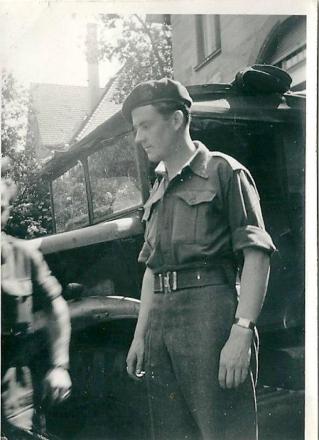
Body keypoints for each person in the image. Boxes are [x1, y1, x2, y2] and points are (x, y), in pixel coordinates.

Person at [123, 78, 276, 440]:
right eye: (135, 129)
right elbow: (151, 268)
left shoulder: (224, 172)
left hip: (209, 317)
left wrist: (242, 331)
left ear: (176, 120)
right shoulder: (158, 188)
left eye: (145, 126)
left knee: (223, 432)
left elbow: (257, 254)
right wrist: (141, 334)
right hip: (161, 322)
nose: (138, 138)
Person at [1, 160, 72, 439]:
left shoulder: (24, 256)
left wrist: (59, 365)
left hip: (13, 387)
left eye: (1, 209)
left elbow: (57, 308)